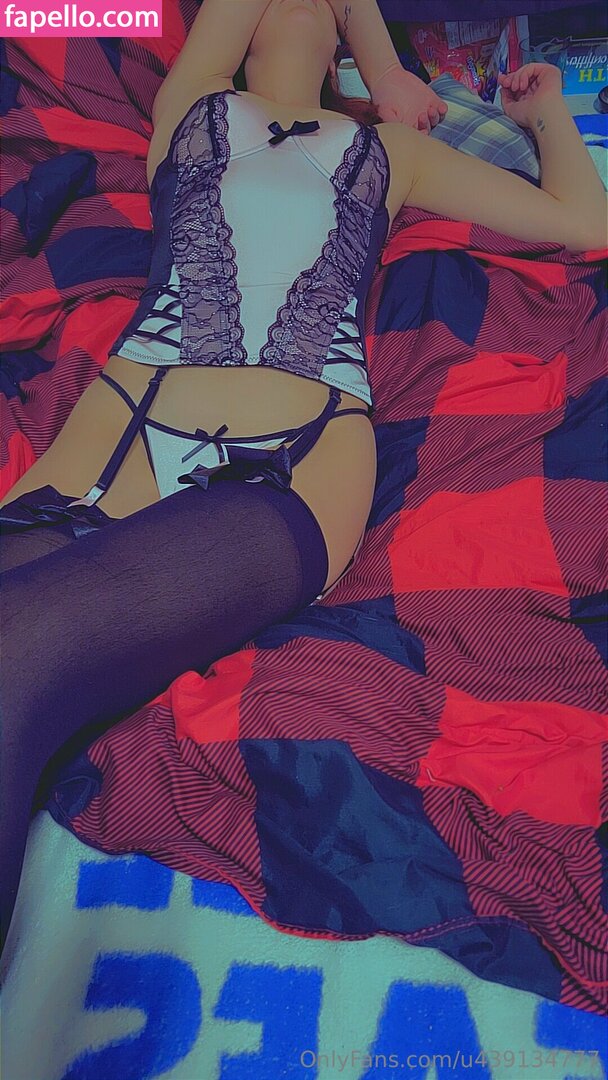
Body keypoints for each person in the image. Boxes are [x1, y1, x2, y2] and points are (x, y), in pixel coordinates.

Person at [0, 0, 605, 946]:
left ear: (339, 52)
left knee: (20, 647)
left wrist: (547, 111)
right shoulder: (192, 108)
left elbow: (585, 220)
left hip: (291, 458)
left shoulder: (392, 152)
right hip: (111, 445)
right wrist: (378, 53)